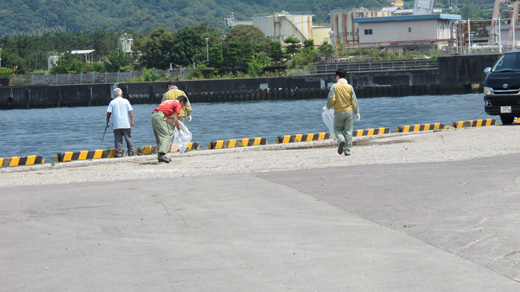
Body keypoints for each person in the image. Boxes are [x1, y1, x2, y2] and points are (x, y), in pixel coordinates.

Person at [327, 69, 360, 156]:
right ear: (345, 77)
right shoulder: (350, 87)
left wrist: (329, 107)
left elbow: (332, 99)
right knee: (348, 131)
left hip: (338, 112)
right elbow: (354, 101)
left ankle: (341, 140)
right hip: (348, 111)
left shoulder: (334, 86)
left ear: (337, 76)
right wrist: (356, 112)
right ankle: (347, 150)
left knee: (337, 129)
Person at [152, 96, 188, 163]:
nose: (183, 106)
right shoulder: (178, 104)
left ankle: (160, 155)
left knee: (159, 137)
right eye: (184, 104)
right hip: (160, 116)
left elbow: (163, 117)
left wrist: (172, 122)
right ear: (182, 102)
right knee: (167, 136)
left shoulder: (169, 102)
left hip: (154, 116)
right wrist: (180, 131)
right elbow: (176, 119)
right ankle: (162, 154)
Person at [106, 88, 135, 157]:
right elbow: (130, 111)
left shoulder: (112, 102)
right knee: (128, 138)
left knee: (117, 139)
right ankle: (131, 152)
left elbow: (108, 112)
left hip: (116, 124)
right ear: (121, 94)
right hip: (126, 124)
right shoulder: (126, 101)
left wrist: (107, 119)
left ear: (114, 95)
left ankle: (119, 154)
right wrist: (132, 120)